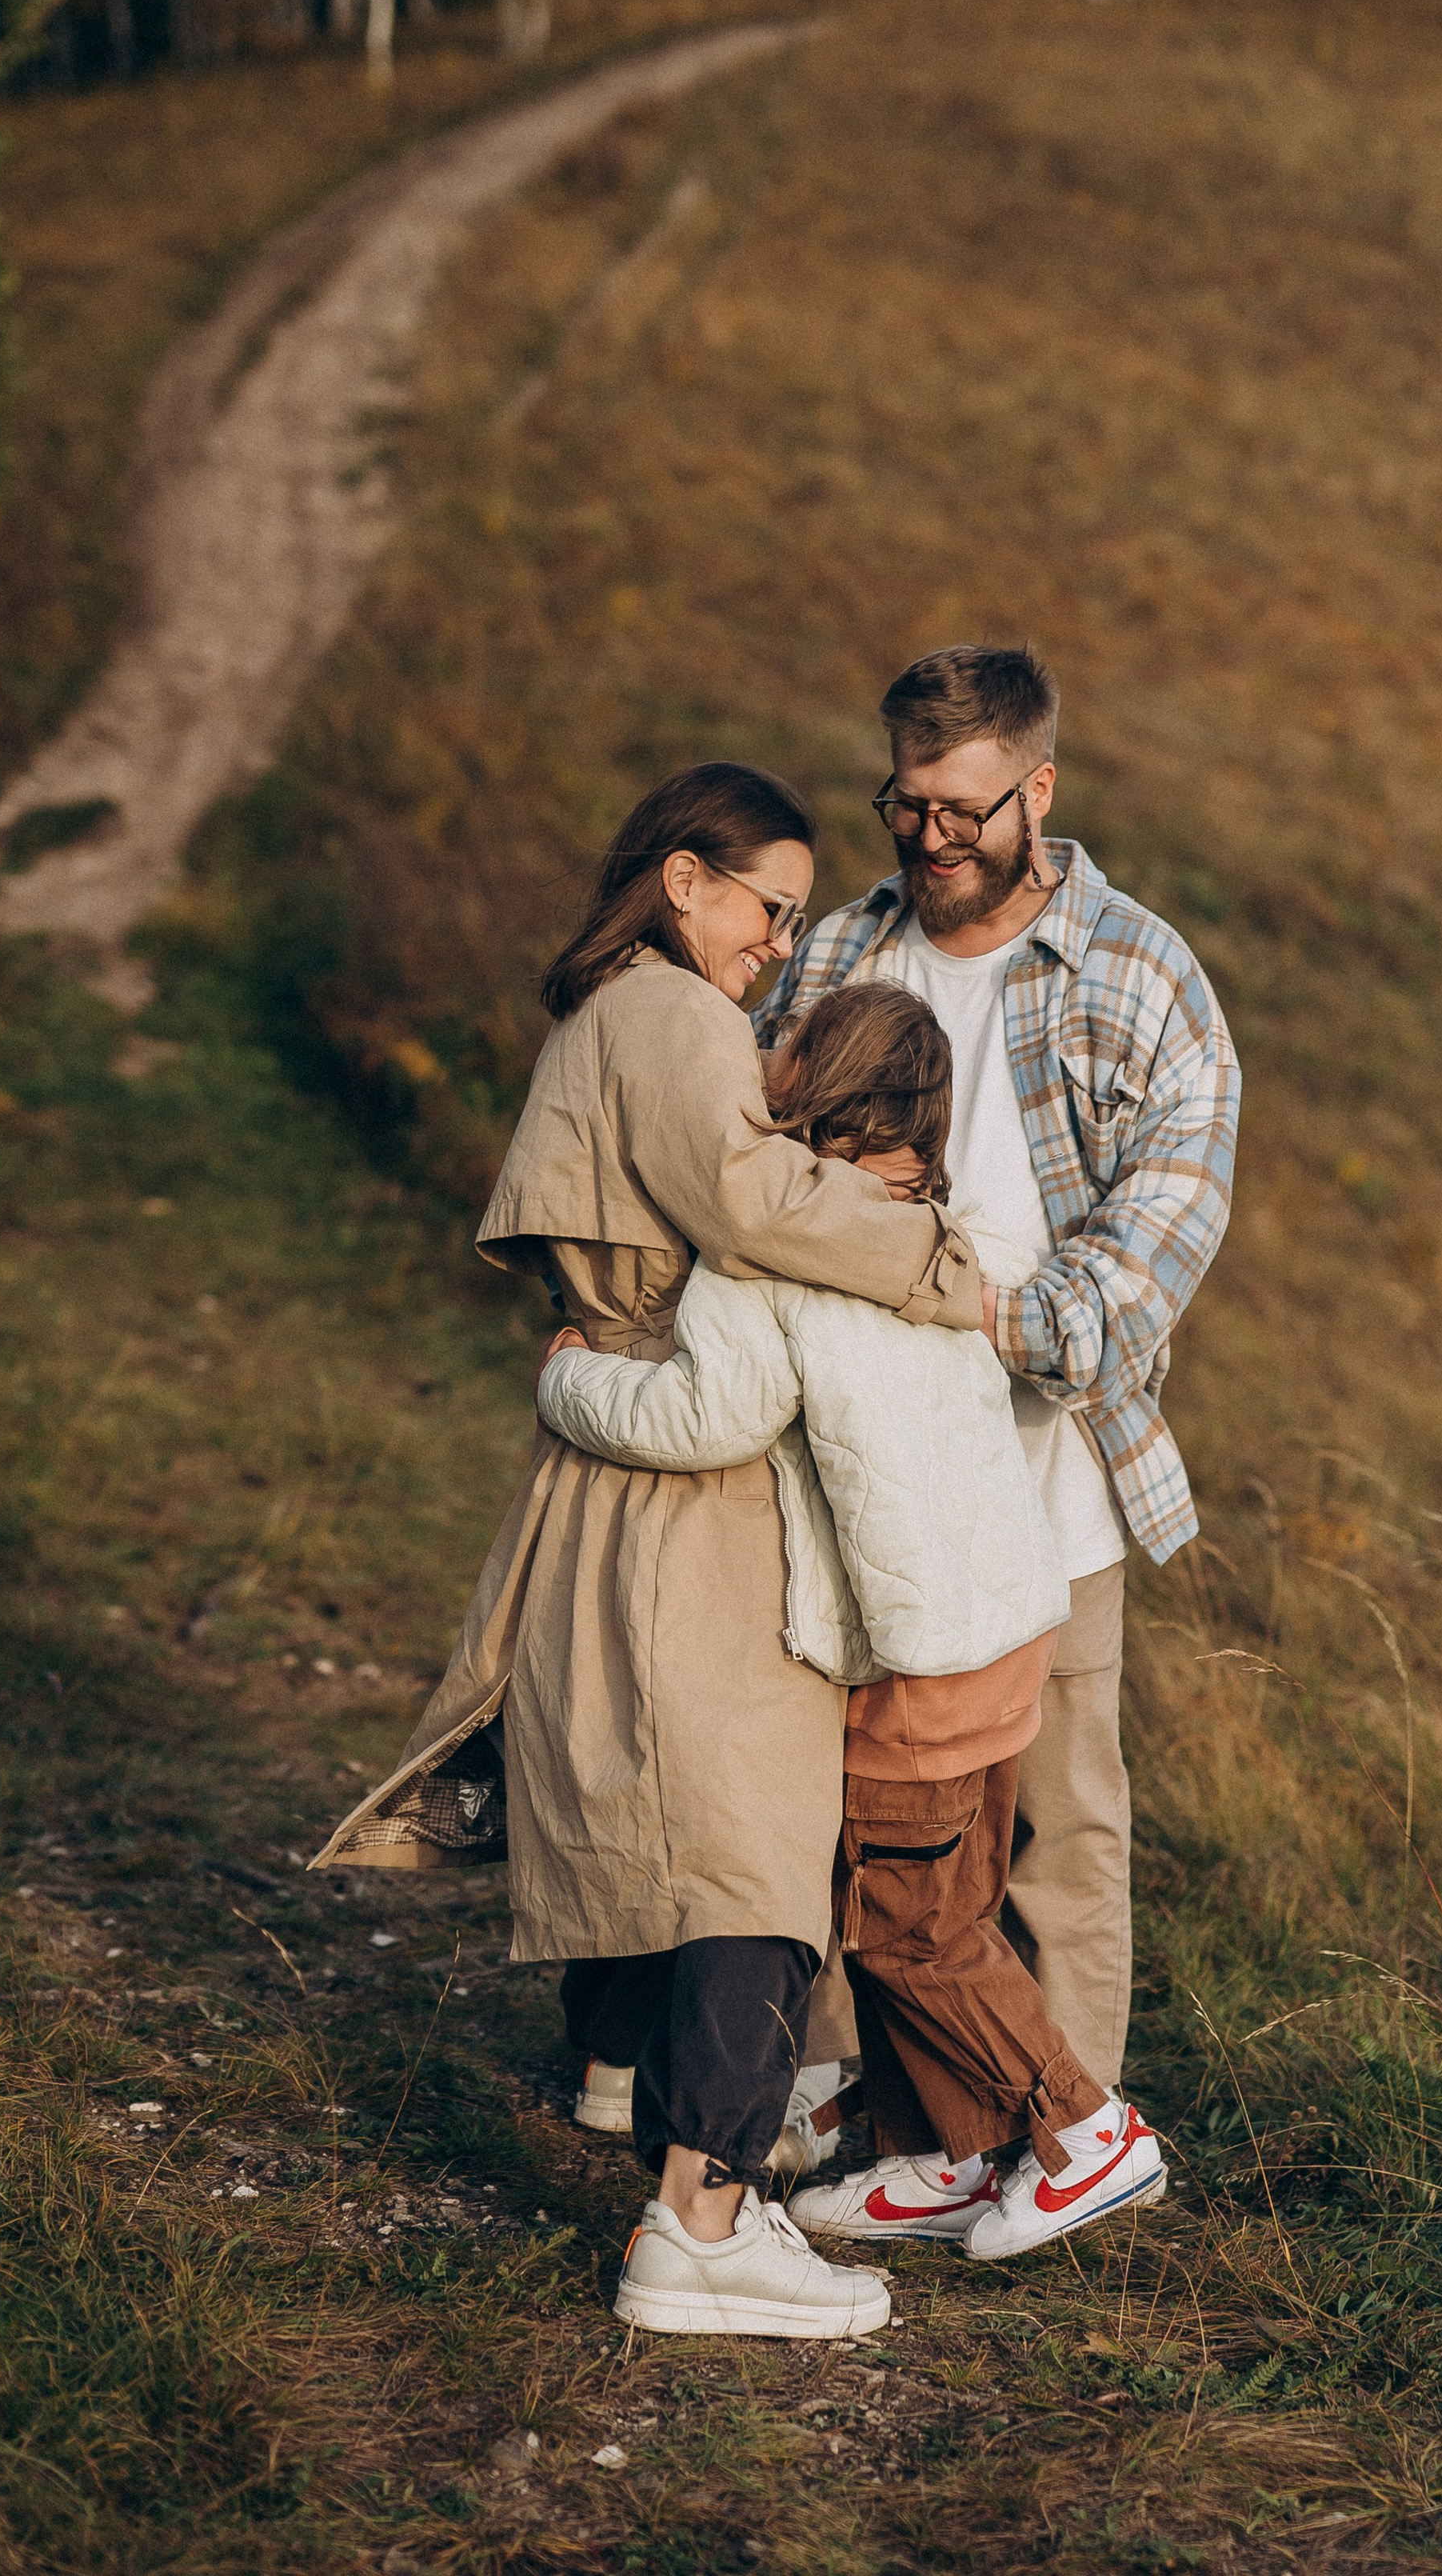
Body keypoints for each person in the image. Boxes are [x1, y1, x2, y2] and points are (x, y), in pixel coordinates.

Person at [314, 764, 984, 2342]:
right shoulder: (672, 1017)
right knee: (745, 1851)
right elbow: (749, 1202)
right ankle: (697, 2226)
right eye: (768, 906)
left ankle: (640, 2094)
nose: (777, 945)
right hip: (685, 1491)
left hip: (643, 1465)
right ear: (684, 881)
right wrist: (936, 1259)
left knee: (677, 1814)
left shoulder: (615, 1017)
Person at [539, 983, 1168, 2263]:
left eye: (785, 1041)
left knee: (903, 1928)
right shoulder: (953, 1233)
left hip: (920, 1659)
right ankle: (946, 2151)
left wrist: (574, 1380)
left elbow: (705, 1420)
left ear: (815, 1082)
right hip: (1010, 1630)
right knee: (954, 1902)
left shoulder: (767, 1258)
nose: (760, 1053)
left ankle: (1085, 2131)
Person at [753, 646, 1240, 2098]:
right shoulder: (839, 954)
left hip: (1052, 1480)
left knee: (1058, 1825)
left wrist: (928, 1290)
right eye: (906, 808)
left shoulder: (1145, 978)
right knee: (827, 1793)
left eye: (965, 811)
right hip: (838, 1458)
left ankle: (1065, 2134)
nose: (932, 842)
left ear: (1039, 790)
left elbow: (1128, 1288)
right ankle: (835, 2107)